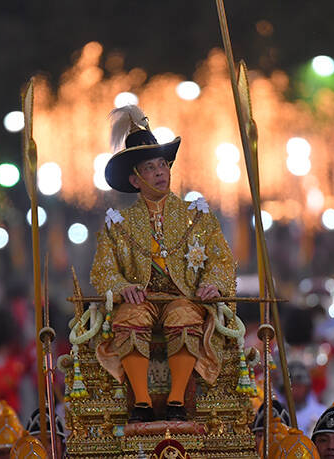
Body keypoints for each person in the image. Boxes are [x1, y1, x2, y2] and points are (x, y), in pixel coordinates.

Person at [91, 105, 235, 423]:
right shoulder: (119, 224)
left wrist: (215, 283)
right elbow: (102, 270)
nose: (160, 172)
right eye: (150, 168)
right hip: (141, 300)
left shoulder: (197, 216)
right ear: (135, 178)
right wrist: (122, 286)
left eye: (162, 165)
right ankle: (141, 402)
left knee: (183, 313)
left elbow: (222, 259)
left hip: (185, 297)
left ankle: (175, 401)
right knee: (129, 315)